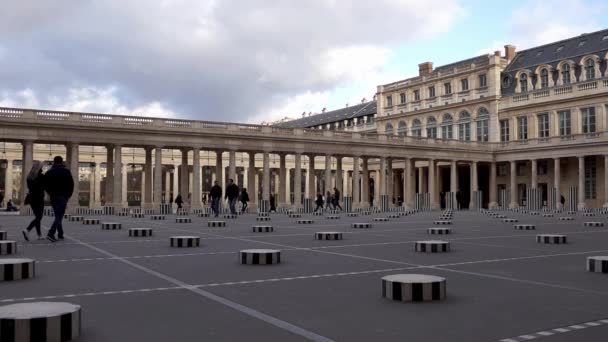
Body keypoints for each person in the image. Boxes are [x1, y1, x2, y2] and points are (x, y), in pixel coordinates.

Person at [44, 156, 74, 242]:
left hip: (53, 196)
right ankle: (51, 233)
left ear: (54, 161)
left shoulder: (49, 172)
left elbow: (45, 185)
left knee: (58, 215)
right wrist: (68, 195)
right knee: (59, 215)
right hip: (63, 196)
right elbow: (71, 184)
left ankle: (60, 233)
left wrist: (50, 193)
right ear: (62, 162)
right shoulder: (66, 171)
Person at [22, 161, 45, 241]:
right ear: (39, 168)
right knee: (39, 217)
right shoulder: (41, 176)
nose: (42, 168)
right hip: (39, 198)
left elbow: (30, 188)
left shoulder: (29, 177)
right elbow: (45, 186)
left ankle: (39, 235)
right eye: (41, 167)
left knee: (37, 217)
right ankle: (27, 230)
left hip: (31, 198)